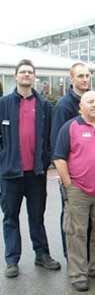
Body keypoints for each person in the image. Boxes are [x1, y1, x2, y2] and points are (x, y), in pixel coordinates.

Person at [53, 91, 95, 292]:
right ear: (80, 107)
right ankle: (78, 274)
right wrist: (69, 184)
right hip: (78, 190)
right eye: (89, 101)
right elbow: (59, 157)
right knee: (76, 232)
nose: (94, 105)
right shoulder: (71, 127)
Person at [0, 59, 61, 278]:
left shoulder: (44, 105)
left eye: (30, 72)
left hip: (35, 173)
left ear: (34, 77)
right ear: (15, 76)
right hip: (10, 174)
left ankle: (41, 254)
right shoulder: (3, 104)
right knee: (10, 217)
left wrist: (45, 162)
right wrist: (3, 160)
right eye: (22, 72)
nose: (26, 75)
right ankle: (12, 259)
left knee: (37, 215)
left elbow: (49, 138)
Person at [51, 62, 91, 258]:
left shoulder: (92, 101)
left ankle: (86, 255)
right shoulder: (64, 106)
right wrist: (64, 176)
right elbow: (57, 144)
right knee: (71, 215)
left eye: (87, 76)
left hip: (90, 174)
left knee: (87, 216)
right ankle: (71, 255)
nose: (85, 79)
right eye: (81, 76)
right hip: (72, 175)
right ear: (72, 79)